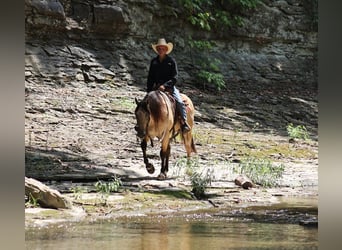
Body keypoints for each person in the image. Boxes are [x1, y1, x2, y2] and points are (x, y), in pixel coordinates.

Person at [146, 38, 191, 132]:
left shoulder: (171, 61)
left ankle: (184, 122)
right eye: (159, 48)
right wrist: (149, 90)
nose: (160, 50)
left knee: (179, 102)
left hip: (169, 87)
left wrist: (165, 86)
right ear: (157, 49)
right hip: (156, 88)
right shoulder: (154, 62)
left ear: (166, 50)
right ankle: (144, 123)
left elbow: (175, 77)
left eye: (162, 48)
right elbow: (150, 77)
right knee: (143, 104)